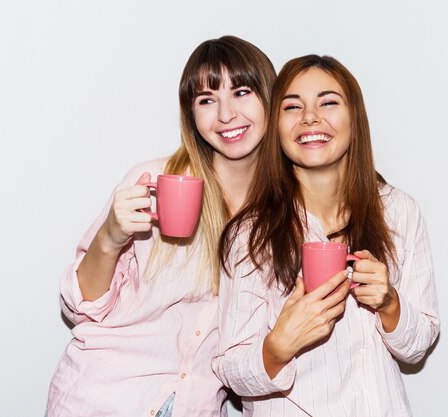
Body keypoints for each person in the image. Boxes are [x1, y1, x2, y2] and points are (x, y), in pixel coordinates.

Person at [46, 36, 276, 417]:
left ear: (270, 97)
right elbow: (80, 307)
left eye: (241, 91)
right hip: (103, 399)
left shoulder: (282, 218)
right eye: (207, 100)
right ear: (191, 115)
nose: (225, 114)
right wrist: (109, 238)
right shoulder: (153, 180)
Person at [215, 55, 440, 416]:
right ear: (276, 126)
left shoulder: (398, 211)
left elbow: (418, 345)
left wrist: (389, 304)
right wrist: (277, 346)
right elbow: (229, 367)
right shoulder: (250, 233)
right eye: (292, 106)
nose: (309, 117)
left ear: (355, 119)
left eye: (328, 102)